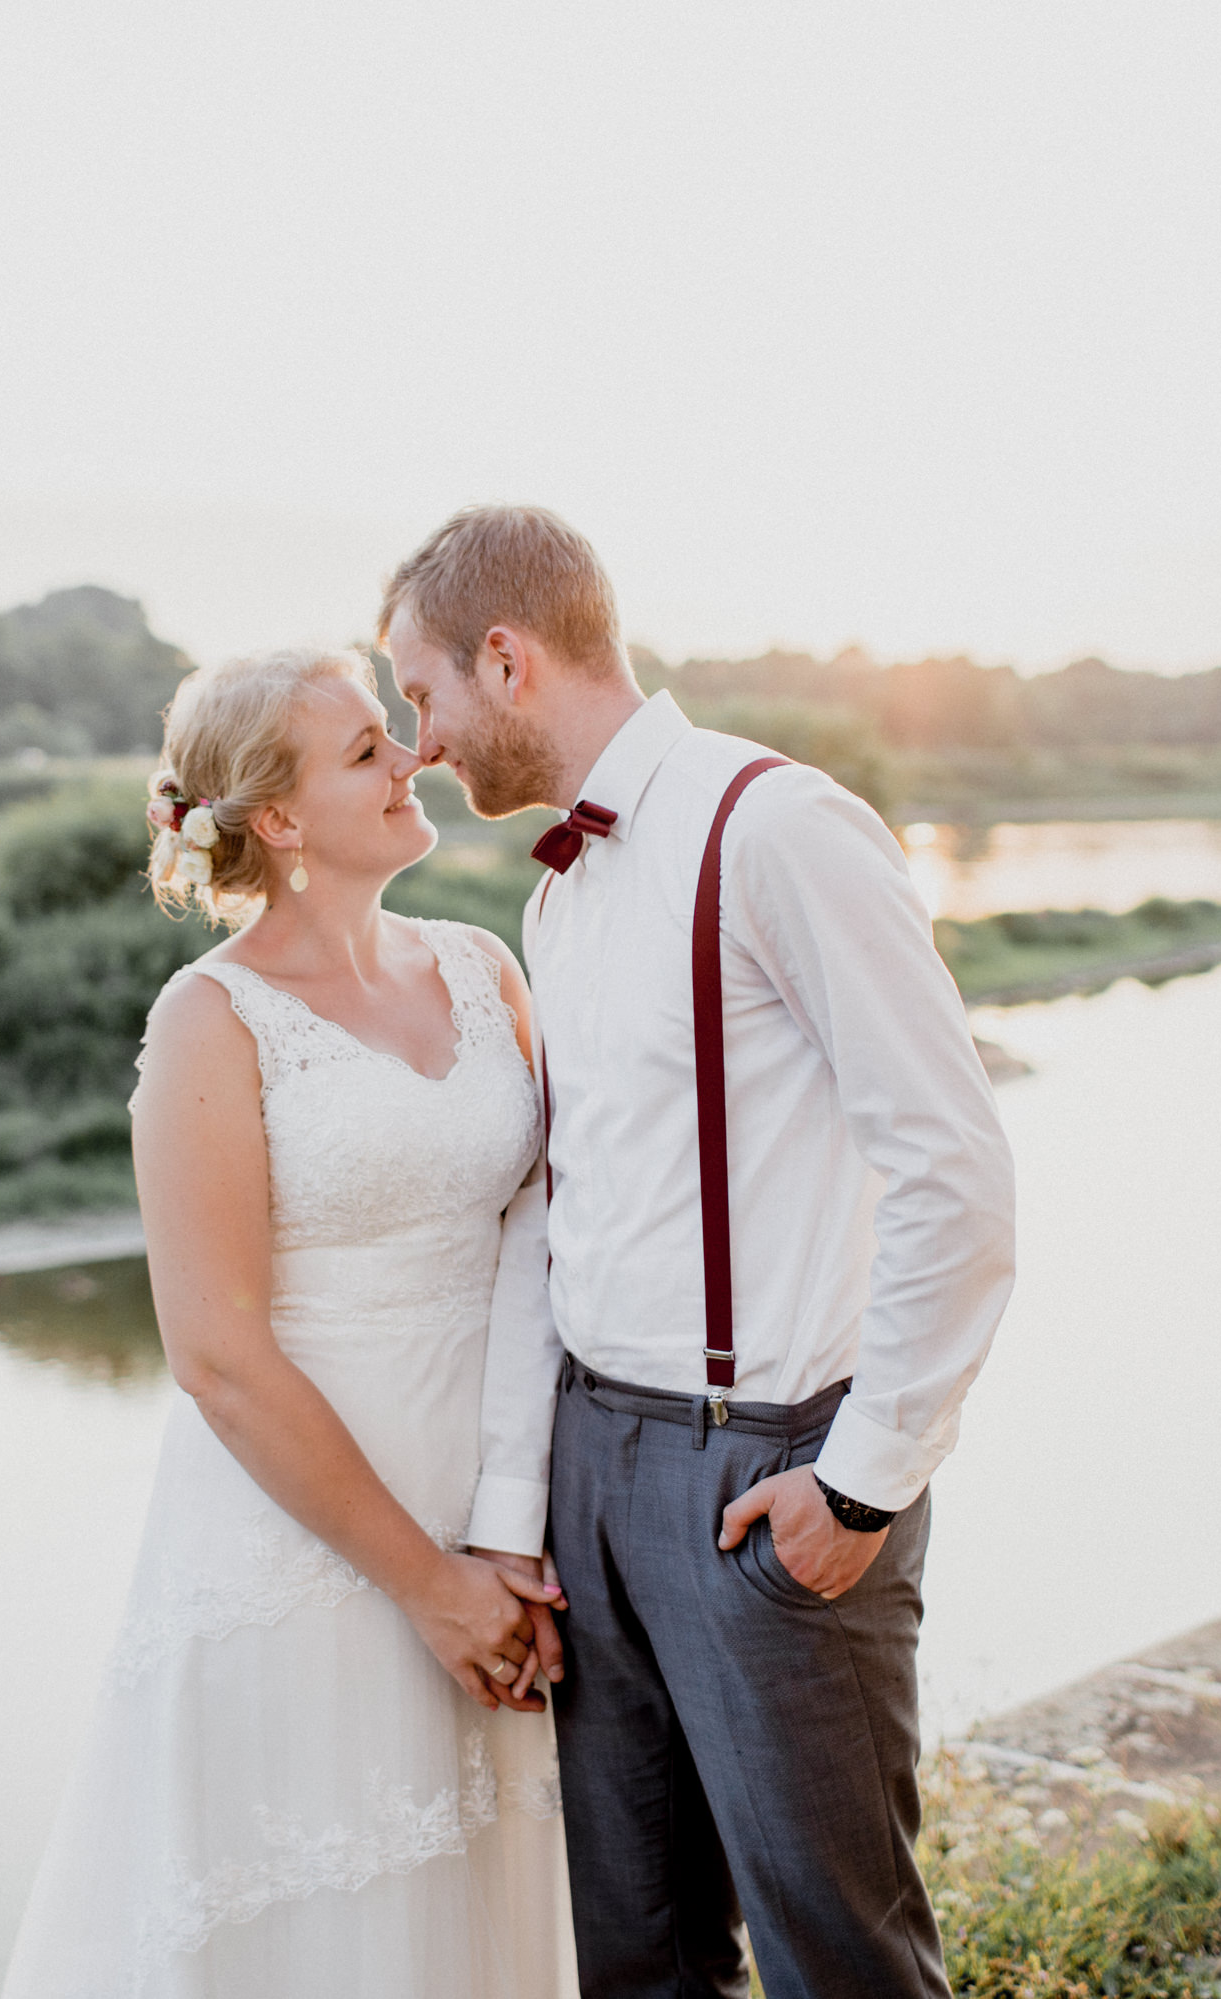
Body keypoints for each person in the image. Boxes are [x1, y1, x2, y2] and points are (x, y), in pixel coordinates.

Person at [382, 507, 1018, 1999]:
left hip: (771, 1483)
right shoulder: (560, 893)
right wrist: (519, 1509)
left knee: (839, 1960)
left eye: (421, 695)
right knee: (640, 1957)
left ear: (506, 657)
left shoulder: (779, 829)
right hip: (595, 1469)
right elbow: (560, 1212)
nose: (417, 740)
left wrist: (864, 1480)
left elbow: (958, 1170)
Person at [1, 646, 579, 1998]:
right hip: (305, 1543)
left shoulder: (483, 966)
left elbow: (547, 1237)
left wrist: (505, 1524)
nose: (412, 760)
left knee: (484, 1906)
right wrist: (431, 1588)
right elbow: (217, 1355)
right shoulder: (212, 1022)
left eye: (396, 735)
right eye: (366, 751)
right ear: (275, 817)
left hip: (494, 1513)